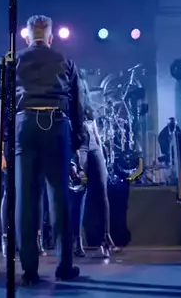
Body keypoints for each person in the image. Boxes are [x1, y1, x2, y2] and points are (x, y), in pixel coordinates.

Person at [0, 14, 84, 285]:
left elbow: (0, 102)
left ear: (27, 36)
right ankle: (64, 266)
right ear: (51, 37)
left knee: (25, 198)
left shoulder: (12, 60)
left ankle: (29, 269)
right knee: (59, 197)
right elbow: (77, 102)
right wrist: (77, 139)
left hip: (24, 125)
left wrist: (5, 137)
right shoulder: (65, 60)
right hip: (56, 124)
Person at [70, 100, 118, 259]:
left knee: (102, 192)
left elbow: (96, 132)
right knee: (80, 192)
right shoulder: (68, 100)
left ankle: (106, 237)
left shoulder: (88, 103)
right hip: (79, 146)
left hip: (93, 146)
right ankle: (77, 240)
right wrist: (73, 158)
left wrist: (102, 154)